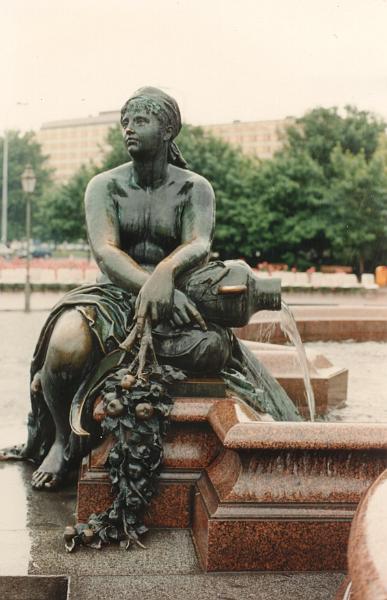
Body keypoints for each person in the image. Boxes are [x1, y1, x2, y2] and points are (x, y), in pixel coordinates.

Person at [0, 87, 300, 489]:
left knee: (211, 348)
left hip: (178, 293)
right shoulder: (103, 187)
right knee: (66, 345)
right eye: (125, 121)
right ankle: (60, 439)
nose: (128, 129)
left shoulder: (195, 188)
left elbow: (198, 243)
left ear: (168, 130)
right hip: (112, 295)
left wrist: (165, 275)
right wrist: (153, 284)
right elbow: (106, 251)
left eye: (140, 121)